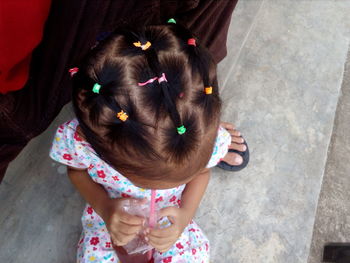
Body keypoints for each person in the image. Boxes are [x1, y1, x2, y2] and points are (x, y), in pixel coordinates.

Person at [49, 22, 248, 262]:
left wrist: (185, 215)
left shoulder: (206, 141)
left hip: (169, 223)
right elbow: (77, 172)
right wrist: (106, 207)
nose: (159, 189)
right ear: (96, 149)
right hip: (113, 217)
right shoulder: (80, 145)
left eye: (179, 179)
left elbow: (202, 173)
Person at [0, 0, 240, 183]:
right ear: (86, 140)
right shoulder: (75, 144)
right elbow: (78, 172)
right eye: (139, 183)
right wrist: (107, 207)